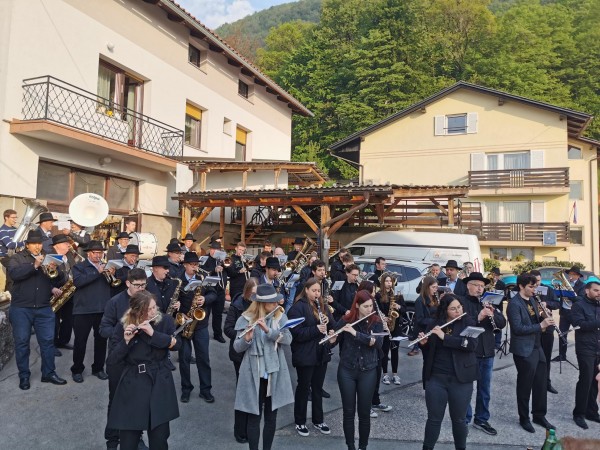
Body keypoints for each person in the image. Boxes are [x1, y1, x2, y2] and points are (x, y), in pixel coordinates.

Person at [106, 290, 181, 450]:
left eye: (154, 307)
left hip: (159, 381)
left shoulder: (165, 321)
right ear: (138, 312)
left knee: (159, 439)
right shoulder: (123, 326)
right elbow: (112, 360)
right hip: (133, 383)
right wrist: (126, 342)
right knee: (128, 441)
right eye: (149, 309)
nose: (153, 312)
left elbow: (177, 345)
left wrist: (153, 334)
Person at [233, 284, 294, 450]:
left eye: (276, 301)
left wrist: (269, 331)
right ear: (261, 303)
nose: (275, 304)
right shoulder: (246, 318)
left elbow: (288, 340)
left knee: (271, 417)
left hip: (274, 371)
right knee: (254, 417)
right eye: (272, 302)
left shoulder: (280, 317)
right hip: (253, 371)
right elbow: (237, 347)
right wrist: (247, 338)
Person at [8, 229, 67, 390]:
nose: (37, 246)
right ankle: (24, 376)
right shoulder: (17, 258)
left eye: (39, 243)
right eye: (34, 243)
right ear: (27, 245)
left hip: (44, 307)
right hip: (21, 308)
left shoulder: (48, 257)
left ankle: (48, 373)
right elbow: (14, 274)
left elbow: (60, 279)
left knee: (47, 342)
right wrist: (34, 265)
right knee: (22, 343)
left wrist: (56, 269)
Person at [418, 294, 478, 450]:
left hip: (461, 379)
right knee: (434, 419)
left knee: (459, 420)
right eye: (453, 309)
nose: (458, 311)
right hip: (436, 378)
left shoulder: (469, 322)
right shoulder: (434, 324)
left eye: (459, 307)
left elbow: (471, 345)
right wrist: (423, 344)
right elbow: (429, 352)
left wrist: (445, 337)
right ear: (445, 310)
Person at [99, 268, 148, 450]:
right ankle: (112, 439)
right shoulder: (115, 302)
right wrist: (123, 332)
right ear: (128, 283)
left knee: (138, 400)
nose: (141, 289)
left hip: (140, 358)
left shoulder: (148, 300)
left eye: (144, 285)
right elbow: (103, 329)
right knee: (116, 400)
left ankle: (137, 436)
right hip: (119, 359)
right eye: (137, 285)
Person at [335, 289, 383, 450]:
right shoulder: (346, 319)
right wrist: (331, 337)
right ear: (357, 305)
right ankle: (350, 446)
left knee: (364, 413)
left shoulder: (376, 321)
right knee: (348, 412)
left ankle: (363, 446)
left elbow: (377, 343)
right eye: (366, 306)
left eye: (371, 306)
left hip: (368, 370)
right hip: (347, 369)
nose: (369, 309)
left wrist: (356, 333)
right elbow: (333, 341)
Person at [288, 277, 336, 437]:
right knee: (303, 388)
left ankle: (318, 420)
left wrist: (331, 329)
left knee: (317, 388)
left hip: (321, 353)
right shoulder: (297, 308)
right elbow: (296, 334)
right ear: (306, 290)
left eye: (318, 291)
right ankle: (300, 421)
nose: (317, 294)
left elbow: (332, 325)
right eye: (314, 290)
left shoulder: (322, 306)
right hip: (304, 354)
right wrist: (316, 329)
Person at [507, 273, 556, 433]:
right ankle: (524, 418)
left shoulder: (533, 300)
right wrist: (541, 325)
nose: (534, 289)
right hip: (523, 349)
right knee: (525, 385)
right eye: (531, 286)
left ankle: (539, 415)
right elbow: (518, 328)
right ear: (521, 286)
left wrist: (544, 315)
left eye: (535, 286)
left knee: (541, 384)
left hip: (537, 346)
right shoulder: (514, 304)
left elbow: (535, 320)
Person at [461, 272, 506, 436]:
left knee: (484, 390)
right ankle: (464, 419)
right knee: (466, 389)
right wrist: (479, 317)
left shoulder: (488, 302)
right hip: (469, 351)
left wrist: (493, 313)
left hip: (487, 351)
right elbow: (461, 325)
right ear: (468, 285)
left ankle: (481, 419)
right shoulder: (461, 302)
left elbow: (502, 323)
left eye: (482, 286)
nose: (480, 289)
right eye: (476, 285)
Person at [71, 240, 114, 383]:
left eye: (100, 253)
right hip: (83, 310)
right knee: (80, 342)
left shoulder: (106, 267)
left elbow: (113, 285)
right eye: (95, 253)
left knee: (101, 341)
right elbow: (78, 282)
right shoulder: (79, 267)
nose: (98, 255)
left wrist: (112, 275)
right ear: (88, 253)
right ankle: (77, 370)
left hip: (102, 309)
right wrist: (97, 272)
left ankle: (98, 368)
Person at [178, 251, 217, 404]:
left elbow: (214, 294)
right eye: (192, 265)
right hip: (184, 323)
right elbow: (173, 299)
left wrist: (205, 299)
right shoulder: (178, 280)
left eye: (196, 264)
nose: (195, 267)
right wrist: (180, 313)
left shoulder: (203, 278)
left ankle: (205, 390)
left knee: (203, 358)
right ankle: (186, 389)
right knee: (184, 359)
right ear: (185, 265)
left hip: (200, 324)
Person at [224, 278, 259, 444]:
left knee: (254, 392)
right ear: (247, 292)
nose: (255, 297)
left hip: (255, 353)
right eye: (253, 294)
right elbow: (227, 329)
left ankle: (250, 427)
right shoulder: (237, 305)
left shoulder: (260, 305)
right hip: (240, 354)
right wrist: (242, 334)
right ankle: (240, 431)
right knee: (243, 392)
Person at [570, 280, 600, 429]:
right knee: (585, 380)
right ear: (587, 291)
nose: (599, 293)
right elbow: (579, 325)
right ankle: (579, 414)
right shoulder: (578, 305)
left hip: (598, 347)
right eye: (596, 290)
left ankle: (591, 412)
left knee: (595, 380)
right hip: (585, 348)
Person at [528, 270, 560, 394]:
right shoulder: (528, 290)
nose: (537, 284)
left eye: (539, 281)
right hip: (534, 326)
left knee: (546, 356)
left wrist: (547, 303)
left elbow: (557, 304)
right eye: (534, 281)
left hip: (548, 327)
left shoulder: (548, 289)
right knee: (533, 357)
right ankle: (533, 382)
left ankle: (547, 383)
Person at [376, 272, 406, 386]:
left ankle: (395, 374)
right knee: (384, 350)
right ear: (383, 283)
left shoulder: (397, 295)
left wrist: (398, 306)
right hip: (384, 326)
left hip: (396, 326)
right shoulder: (378, 295)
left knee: (395, 351)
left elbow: (404, 310)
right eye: (387, 281)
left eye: (391, 281)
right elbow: (376, 310)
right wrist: (384, 318)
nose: (389, 283)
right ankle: (385, 374)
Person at [51, 234, 78, 354]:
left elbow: (74, 270)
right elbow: (44, 276)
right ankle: (52, 344)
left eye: (68, 243)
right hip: (55, 292)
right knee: (54, 321)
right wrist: (52, 288)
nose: (68, 245)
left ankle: (63, 341)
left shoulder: (69, 256)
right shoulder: (50, 257)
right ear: (56, 245)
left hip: (69, 291)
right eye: (65, 243)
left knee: (69, 318)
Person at [554, 265, 586, 362]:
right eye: (570, 274)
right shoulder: (564, 283)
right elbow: (557, 295)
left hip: (575, 313)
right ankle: (562, 355)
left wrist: (569, 295)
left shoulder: (582, 285)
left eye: (573, 274)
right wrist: (558, 291)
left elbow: (581, 299)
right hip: (564, 311)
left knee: (579, 334)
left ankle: (581, 355)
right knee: (562, 334)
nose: (570, 276)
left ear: (578, 276)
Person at [201, 241, 227, 343]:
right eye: (212, 249)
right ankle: (203, 334)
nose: (214, 251)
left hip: (220, 290)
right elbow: (202, 271)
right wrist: (214, 270)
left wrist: (225, 264)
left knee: (218, 314)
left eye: (216, 250)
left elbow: (229, 271)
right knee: (206, 313)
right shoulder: (205, 259)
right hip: (209, 290)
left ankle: (218, 334)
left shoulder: (221, 260)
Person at [412, 276, 440, 357]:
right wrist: (435, 321)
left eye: (436, 287)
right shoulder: (419, 300)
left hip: (433, 331)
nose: (435, 289)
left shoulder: (435, 298)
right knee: (428, 357)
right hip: (425, 332)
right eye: (433, 287)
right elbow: (420, 320)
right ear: (427, 287)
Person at [0, 209, 23, 290]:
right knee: (12, 278)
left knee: (14, 277)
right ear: (6, 218)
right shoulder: (3, 230)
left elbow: (18, 242)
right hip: (5, 257)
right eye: (13, 217)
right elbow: (9, 245)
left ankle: (12, 293)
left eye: (16, 217)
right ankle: (9, 294)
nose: (15, 220)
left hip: (14, 256)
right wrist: (23, 243)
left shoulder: (15, 229)